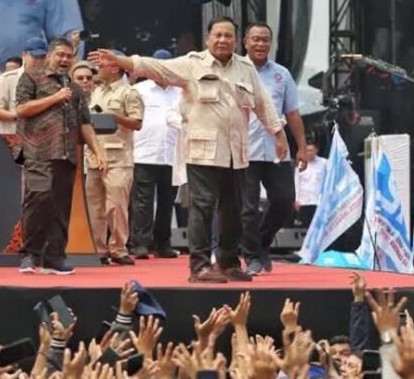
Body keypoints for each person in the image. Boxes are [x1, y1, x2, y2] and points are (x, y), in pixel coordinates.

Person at [89, 16, 286, 284]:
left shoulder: (245, 68)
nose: (222, 39)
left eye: (228, 35)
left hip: (236, 152)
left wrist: (278, 133)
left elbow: (263, 103)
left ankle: (228, 263)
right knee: (203, 208)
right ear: (208, 38)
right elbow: (156, 67)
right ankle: (200, 267)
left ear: (237, 40)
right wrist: (121, 61)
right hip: (202, 150)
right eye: (217, 35)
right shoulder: (193, 64)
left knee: (234, 210)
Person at [16, 38, 107, 275]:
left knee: (60, 207)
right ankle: (29, 254)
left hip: (66, 153)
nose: (65, 60)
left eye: (69, 56)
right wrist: (55, 98)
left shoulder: (75, 89)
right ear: (49, 55)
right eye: (60, 55)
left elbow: (85, 123)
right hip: (37, 151)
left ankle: (54, 258)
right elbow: (21, 109)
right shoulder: (31, 77)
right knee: (38, 198)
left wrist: (98, 152)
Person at [240, 22, 308, 275]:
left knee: (284, 201)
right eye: (255, 39)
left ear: (271, 43)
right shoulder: (235, 70)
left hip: (277, 150)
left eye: (265, 39)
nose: (260, 44)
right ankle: (251, 257)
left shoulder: (282, 74)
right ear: (245, 42)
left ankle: (262, 243)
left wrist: (301, 146)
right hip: (244, 149)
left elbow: (292, 112)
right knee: (246, 208)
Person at [84, 52, 143, 266]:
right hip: (94, 156)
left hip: (118, 156)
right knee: (95, 206)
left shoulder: (129, 93)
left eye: (103, 63)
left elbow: (136, 123)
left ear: (116, 67)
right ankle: (99, 249)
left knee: (116, 206)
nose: (98, 66)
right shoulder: (96, 91)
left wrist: (114, 118)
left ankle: (118, 248)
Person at [130, 49, 182, 260]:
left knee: (167, 201)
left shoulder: (181, 91)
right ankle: (140, 243)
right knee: (142, 200)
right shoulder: (139, 90)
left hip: (173, 153)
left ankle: (163, 243)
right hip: (144, 152)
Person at [0, 37, 47, 135]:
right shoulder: (8, 78)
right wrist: (22, 115)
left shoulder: (50, 79)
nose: (39, 61)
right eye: (35, 57)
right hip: (13, 139)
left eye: (42, 57)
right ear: (24, 55)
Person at [294, 140, 326, 228]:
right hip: (304, 201)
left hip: (318, 201)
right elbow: (297, 183)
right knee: (305, 227)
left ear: (316, 150)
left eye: (311, 150)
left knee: (319, 227)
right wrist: (296, 199)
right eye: (307, 150)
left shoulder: (324, 163)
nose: (309, 153)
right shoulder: (301, 164)